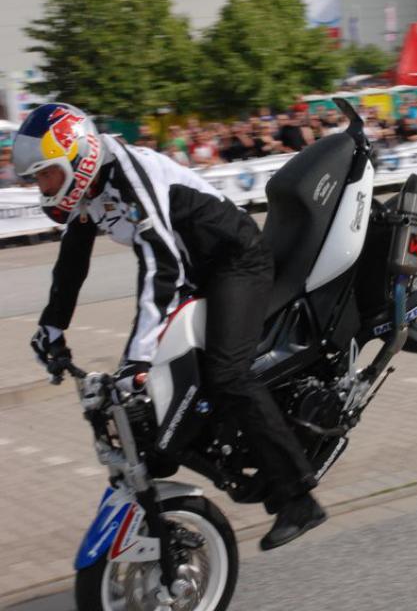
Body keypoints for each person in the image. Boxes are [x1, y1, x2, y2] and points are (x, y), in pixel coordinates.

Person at [12, 102, 326, 551]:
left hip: (235, 261)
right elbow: (72, 262)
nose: (43, 187)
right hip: (195, 270)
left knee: (226, 375)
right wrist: (51, 328)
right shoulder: (89, 189)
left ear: (79, 156)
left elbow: (162, 268)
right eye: (38, 178)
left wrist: (136, 358)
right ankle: (230, 468)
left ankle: (298, 497)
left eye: (46, 174)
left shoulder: (129, 175)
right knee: (160, 393)